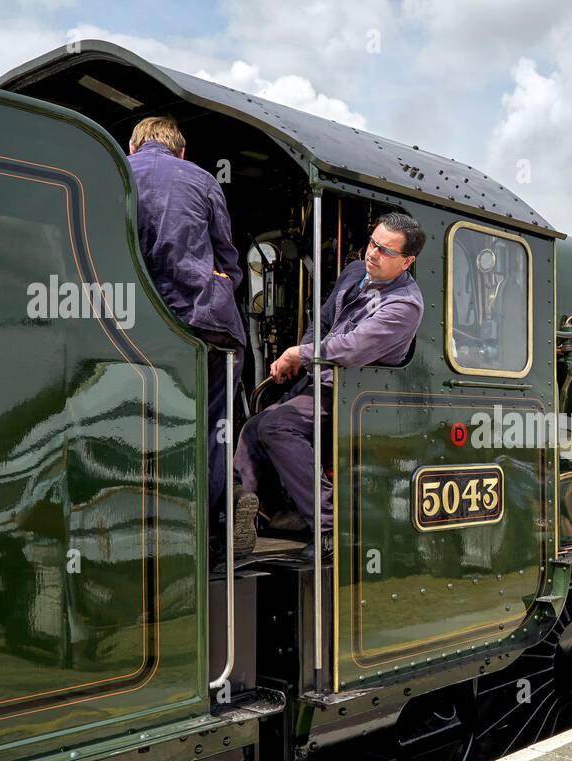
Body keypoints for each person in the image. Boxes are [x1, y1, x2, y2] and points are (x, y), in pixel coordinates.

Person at [232, 212, 426, 554]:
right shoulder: (355, 272)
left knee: (276, 427)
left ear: (407, 261)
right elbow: (322, 322)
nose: (372, 253)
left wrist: (301, 355)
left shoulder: (405, 305)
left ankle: (329, 528)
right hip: (321, 381)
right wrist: (301, 356)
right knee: (253, 426)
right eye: (372, 243)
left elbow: (352, 348)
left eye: (385, 251)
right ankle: (245, 518)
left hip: (356, 395)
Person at [125, 116, 258, 556]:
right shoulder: (201, 179)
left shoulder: (117, 173)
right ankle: (212, 527)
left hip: (138, 324)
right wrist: (218, 283)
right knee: (214, 426)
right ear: (181, 150)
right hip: (206, 321)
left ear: (134, 146)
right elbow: (228, 255)